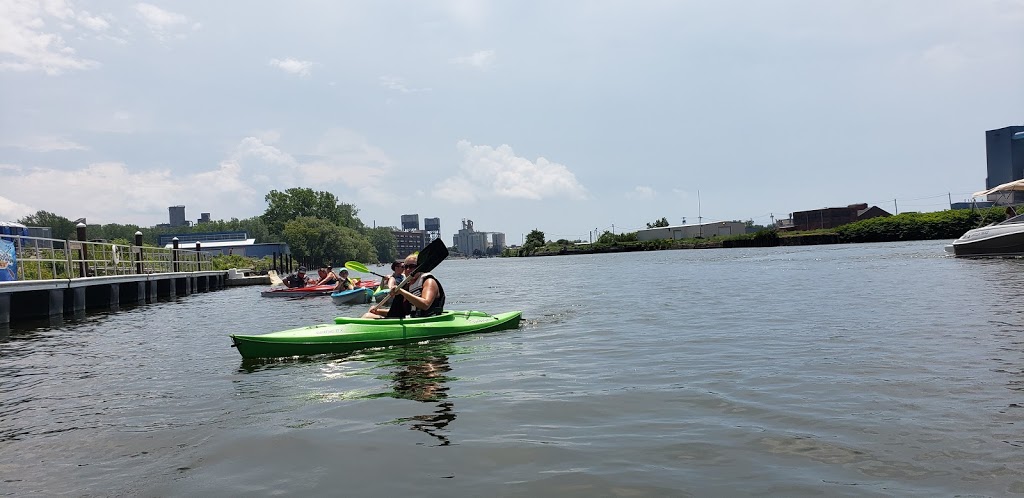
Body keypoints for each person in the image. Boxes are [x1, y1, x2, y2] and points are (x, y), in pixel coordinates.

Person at [362, 253, 445, 319]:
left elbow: (425, 305)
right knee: (369, 314)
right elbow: (398, 313)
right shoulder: (407, 285)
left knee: (367, 317)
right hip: (414, 318)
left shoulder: (428, 281)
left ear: (419, 267)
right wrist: (378, 311)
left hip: (430, 319)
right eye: (405, 267)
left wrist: (402, 292)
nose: (408, 270)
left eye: (412, 266)